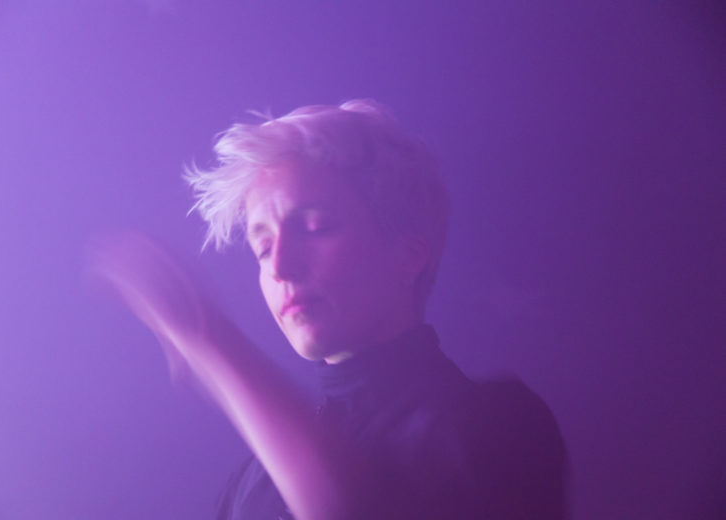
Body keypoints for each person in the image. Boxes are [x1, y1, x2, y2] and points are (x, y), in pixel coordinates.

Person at [90, 100, 567, 519]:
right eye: (262, 248)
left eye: (314, 228)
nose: (280, 266)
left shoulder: (498, 425)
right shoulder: (250, 483)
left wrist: (215, 344)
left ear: (409, 255)